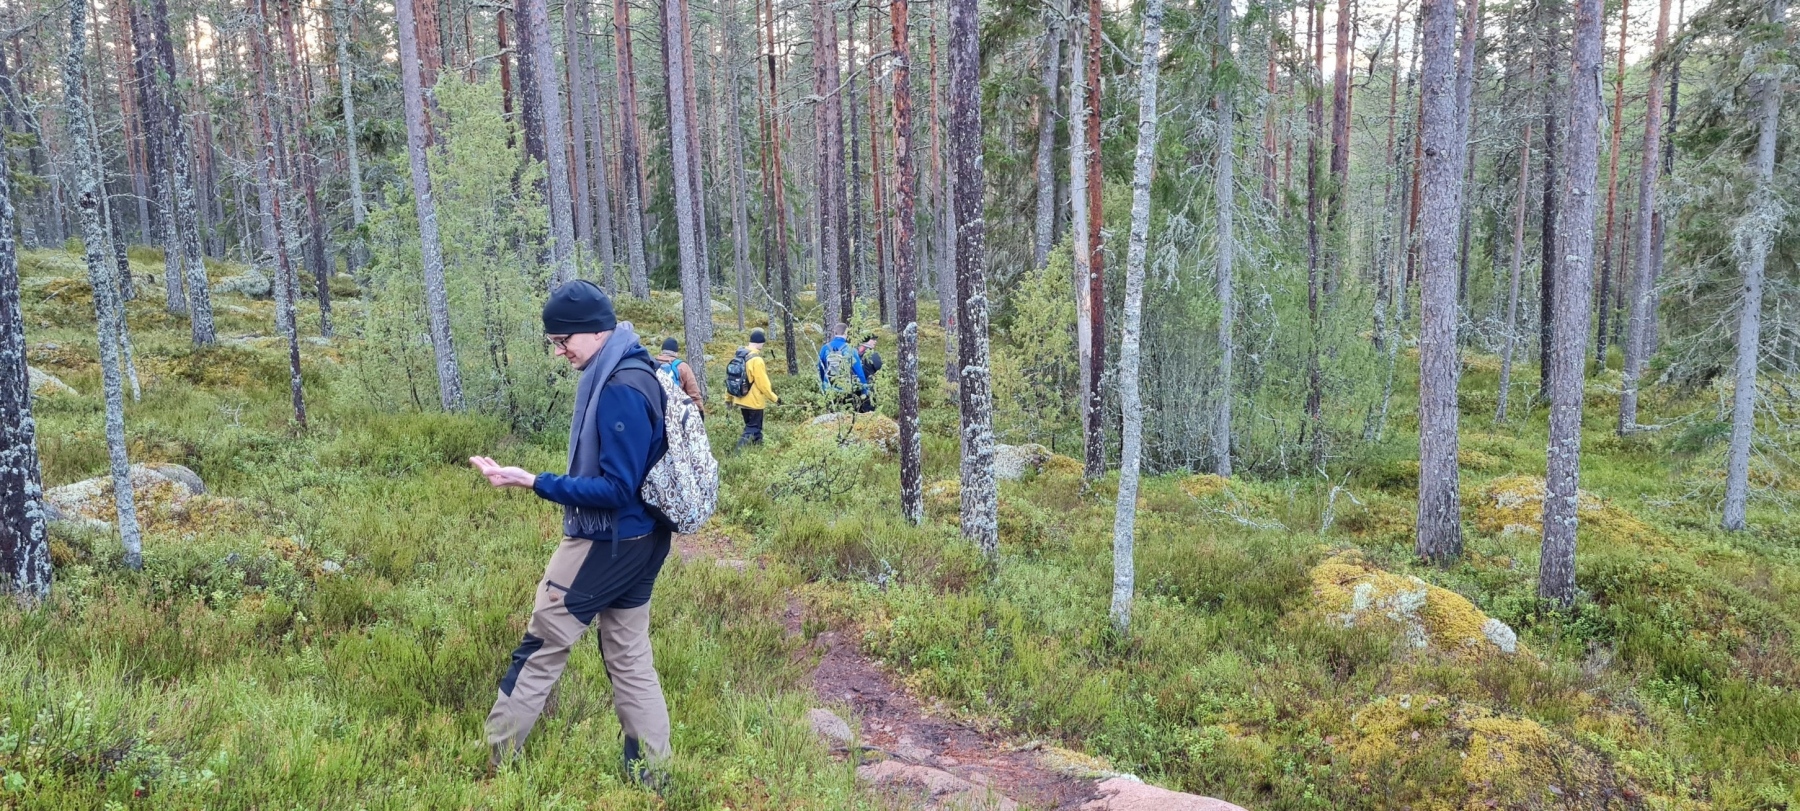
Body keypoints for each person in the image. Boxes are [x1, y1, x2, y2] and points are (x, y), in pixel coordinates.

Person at [468, 280, 673, 788]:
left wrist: (534, 481)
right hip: (642, 541)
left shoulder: (619, 387)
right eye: (554, 342)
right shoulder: (636, 368)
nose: (560, 351)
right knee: (629, 656)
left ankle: (493, 765)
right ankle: (653, 776)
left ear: (596, 331)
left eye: (564, 340)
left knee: (542, 646)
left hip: (605, 543)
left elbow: (617, 488)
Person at [725, 328, 777, 448]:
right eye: (763, 343)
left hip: (740, 400)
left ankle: (758, 448)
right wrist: (775, 398)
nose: (763, 346)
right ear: (760, 343)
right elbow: (763, 384)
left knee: (755, 427)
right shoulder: (756, 360)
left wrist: (728, 399)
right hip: (754, 402)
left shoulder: (739, 356)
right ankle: (738, 452)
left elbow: (731, 379)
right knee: (752, 428)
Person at [816, 322, 867, 411]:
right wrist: (864, 390)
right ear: (846, 333)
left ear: (834, 332)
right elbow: (859, 373)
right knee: (846, 414)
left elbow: (820, 368)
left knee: (831, 414)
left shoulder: (825, 348)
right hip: (845, 390)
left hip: (829, 389)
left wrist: (823, 384)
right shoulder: (850, 349)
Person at [654, 337, 705, 414]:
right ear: (676, 352)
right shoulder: (682, 366)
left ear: (662, 351)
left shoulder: (652, 364)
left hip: (656, 410)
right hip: (676, 412)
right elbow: (694, 393)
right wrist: (700, 411)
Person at [854, 334, 883, 413]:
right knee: (869, 412)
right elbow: (880, 369)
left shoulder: (852, 353)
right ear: (866, 341)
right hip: (868, 389)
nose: (875, 341)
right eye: (873, 339)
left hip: (854, 388)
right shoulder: (873, 355)